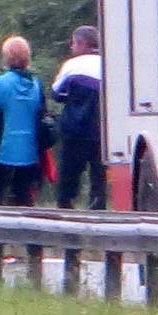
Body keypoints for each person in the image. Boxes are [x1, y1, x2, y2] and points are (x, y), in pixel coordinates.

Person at [0, 36, 45, 207]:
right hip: (30, 151)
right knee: (24, 197)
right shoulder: (37, 85)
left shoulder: (0, 84)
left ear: (6, 57)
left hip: (2, 150)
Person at [49, 25, 106, 209]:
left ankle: (66, 213)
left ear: (82, 44)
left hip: (75, 131)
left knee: (68, 177)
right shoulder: (107, 63)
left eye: (73, 43)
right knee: (99, 177)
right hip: (101, 131)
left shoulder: (72, 65)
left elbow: (57, 93)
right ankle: (99, 212)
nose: (72, 48)